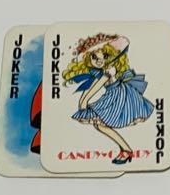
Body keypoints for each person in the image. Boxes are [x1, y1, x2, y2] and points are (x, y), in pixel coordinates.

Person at [62, 34, 155, 165]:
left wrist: (83, 102)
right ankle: (126, 150)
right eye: (94, 57)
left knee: (101, 125)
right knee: (100, 125)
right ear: (88, 58)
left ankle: (127, 150)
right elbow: (91, 86)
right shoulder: (99, 71)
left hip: (120, 96)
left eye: (104, 56)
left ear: (111, 56)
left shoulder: (110, 70)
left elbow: (96, 87)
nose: (99, 61)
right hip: (112, 95)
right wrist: (83, 100)